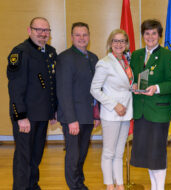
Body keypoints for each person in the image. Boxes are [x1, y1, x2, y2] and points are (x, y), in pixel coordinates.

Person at [7, 17, 57, 190]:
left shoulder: (50, 52)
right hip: (26, 117)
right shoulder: (20, 52)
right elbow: (15, 88)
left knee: (36, 156)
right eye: (39, 30)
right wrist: (21, 116)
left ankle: (32, 186)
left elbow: (51, 84)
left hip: (42, 115)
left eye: (46, 30)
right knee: (23, 157)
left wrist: (53, 111)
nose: (43, 34)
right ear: (29, 31)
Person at [129, 19, 171, 190]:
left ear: (159, 35)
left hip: (158, 112)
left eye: (154, 33)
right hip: (141, 112)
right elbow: (131, 78)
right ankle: (154, 186)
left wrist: (157, 88)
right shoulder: (135, 55)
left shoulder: (168, 55)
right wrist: (133, 85)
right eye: (147, 33)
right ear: (142, 35)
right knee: (146, 155)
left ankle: (160, 187)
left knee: (157, 154)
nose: (150, 37)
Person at [56, 22, 100, 190]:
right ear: (72, 37)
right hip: (73, 118)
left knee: (82, 154)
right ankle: (74, 186)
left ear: (89, 36)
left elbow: (95, 90)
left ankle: (80, 184)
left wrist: (96, 114)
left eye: (85, 35)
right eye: (78, 35)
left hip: (88, 116)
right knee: (73, 156)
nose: (82, 38)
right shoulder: (65, 58)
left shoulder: (93, 57)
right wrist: (71, 119)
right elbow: (63, 91)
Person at [90, 29, 133, 190]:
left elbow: (125, 86)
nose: (119, 44)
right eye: (115, 41)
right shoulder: (104, 63)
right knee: (109, 152)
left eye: (122, 41)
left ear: (126, 44)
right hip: (111, 113)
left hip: (126, 112)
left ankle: (119, 185)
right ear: (110, 43)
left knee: (119, 153)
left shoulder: (126, 62)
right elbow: (94, 89)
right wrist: (114, 105)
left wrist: (133, 86)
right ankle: (109, 185)